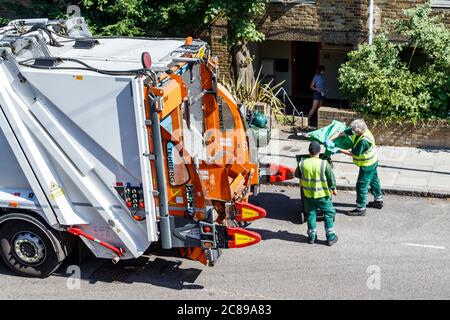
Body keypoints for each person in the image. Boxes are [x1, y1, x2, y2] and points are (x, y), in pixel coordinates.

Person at [326, 119, 383, 216]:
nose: (353, 132)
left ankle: (361, 209)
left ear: (359, 131)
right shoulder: (360, 129)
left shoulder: (364, 141)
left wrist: (338, 149)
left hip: (367, 164)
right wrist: (329, 140)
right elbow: (341, 133)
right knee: (374, 180)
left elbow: (354, 154)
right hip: (373, 160)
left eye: (355, 131)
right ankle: (378, 200)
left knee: (361, 186)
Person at [298, 141, 338, 246]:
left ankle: (311, 237)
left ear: (309, 152)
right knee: (329, 213)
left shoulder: (302, 163)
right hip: (322, 196)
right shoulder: (324, 164)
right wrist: (333, 188)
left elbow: (297, 174)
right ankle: (330, 237)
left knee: (311, 214)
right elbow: (331, 178)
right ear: (319, 152)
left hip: (308, 195)